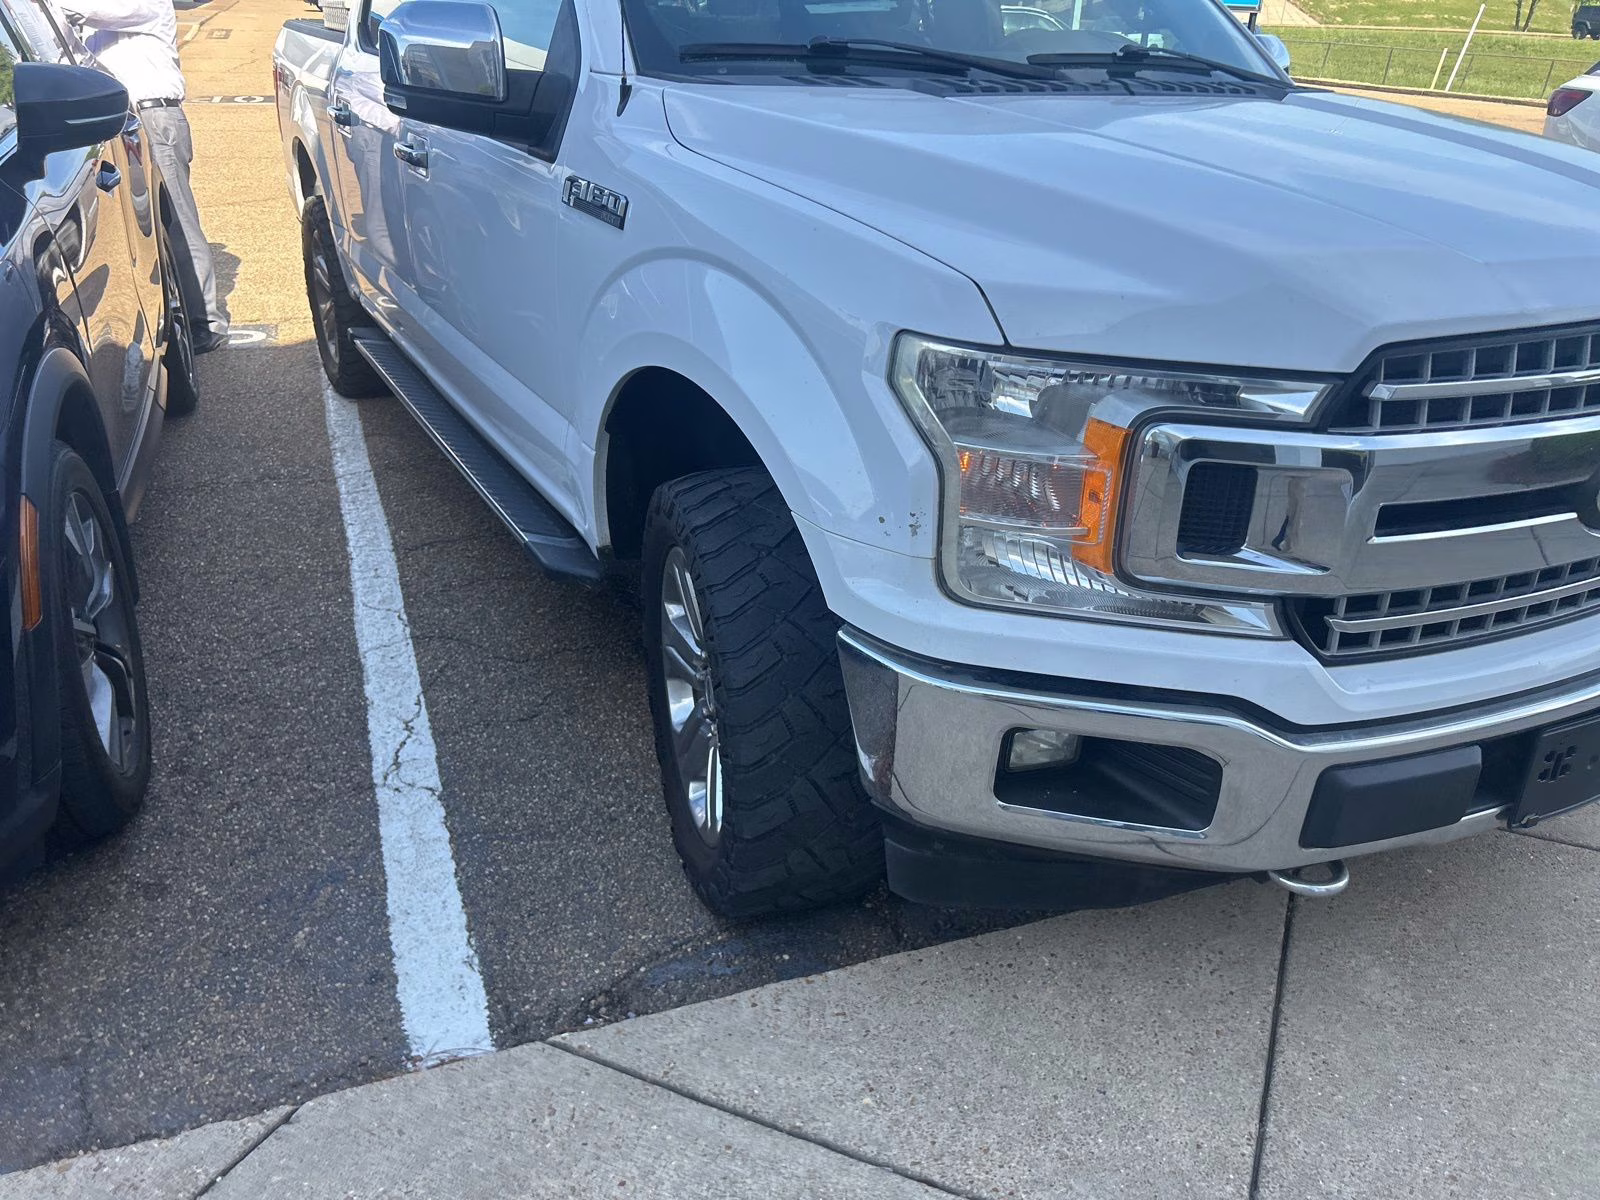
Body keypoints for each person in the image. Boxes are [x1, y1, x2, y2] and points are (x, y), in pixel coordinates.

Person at [57, 0, 230, 350]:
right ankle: (166, 316)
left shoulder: (143, 4)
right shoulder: (88, 22)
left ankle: (207, 322)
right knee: (138, 229)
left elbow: (96, 10)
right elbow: (70, 60)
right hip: (118, 125)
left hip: (155, 116)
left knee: (176, 220)